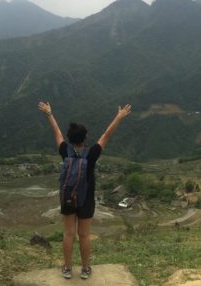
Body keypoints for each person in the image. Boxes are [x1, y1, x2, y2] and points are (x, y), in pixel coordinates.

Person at [38, 101, 131, 280]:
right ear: (84, 138)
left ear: (70, 139)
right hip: (86, 198)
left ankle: (66, 268)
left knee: (68, 233)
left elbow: (56, 133)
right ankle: (85, 269)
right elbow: (106, 135)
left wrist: (49, 114)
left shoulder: (65, 150)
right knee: (84, 235)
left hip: (67, 197)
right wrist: (119, 117)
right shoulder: (93, 153)